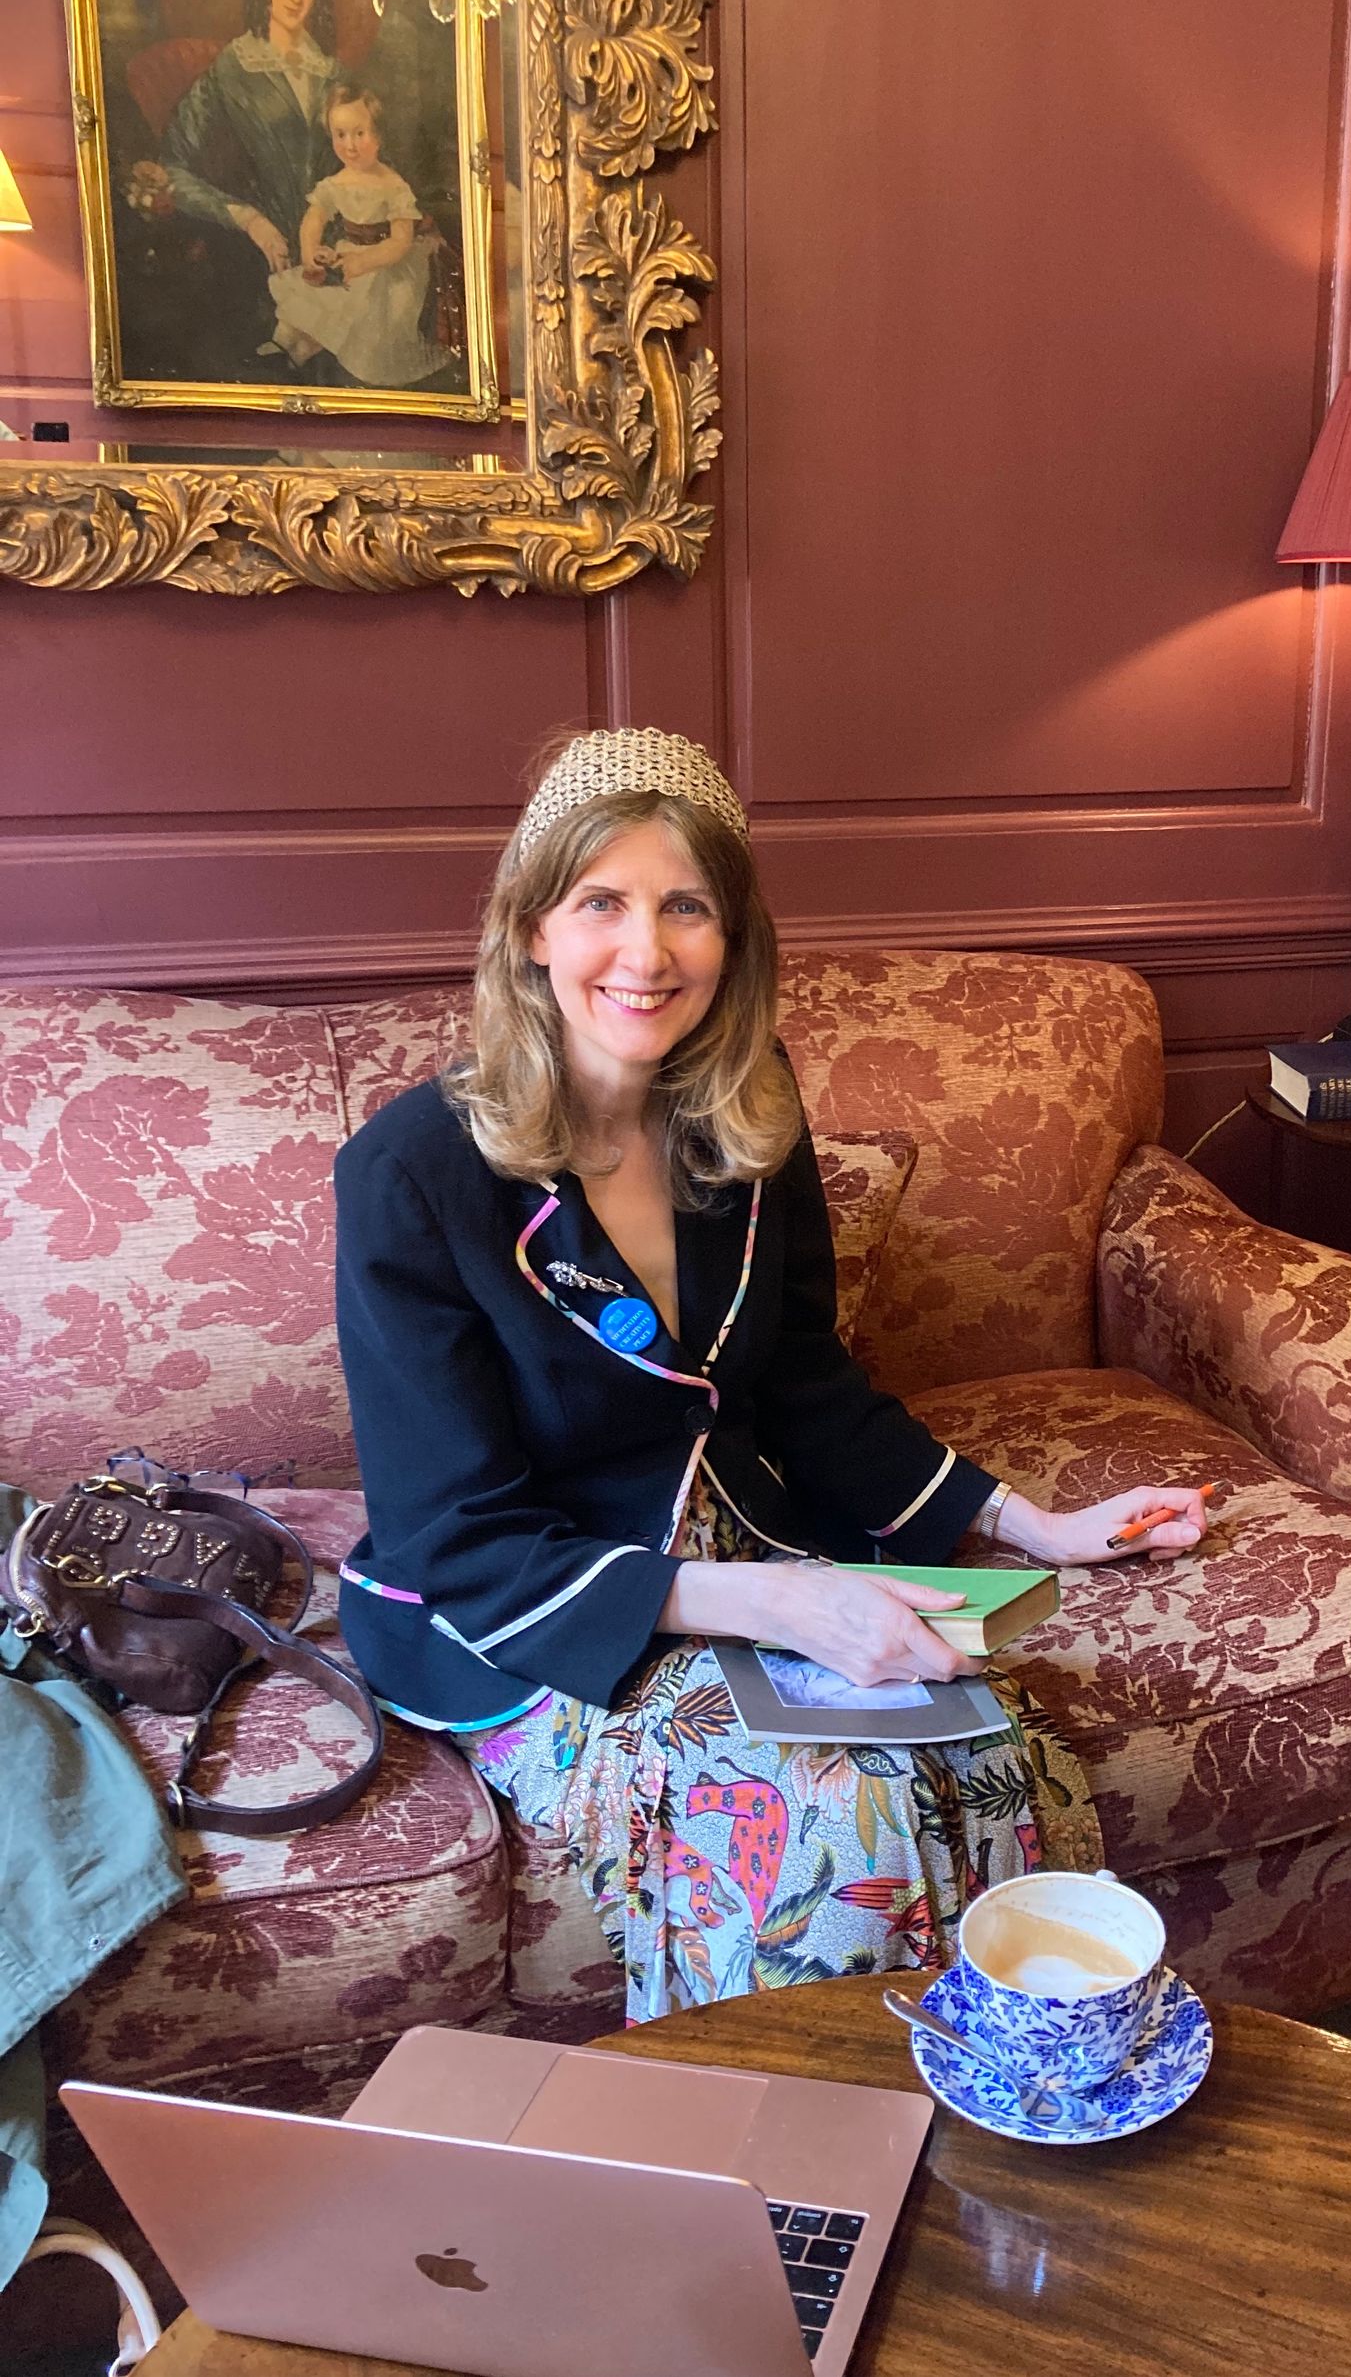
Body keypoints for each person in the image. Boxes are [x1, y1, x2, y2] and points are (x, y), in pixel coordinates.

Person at [333, 729, 1206, 2021]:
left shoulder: (747, 1107)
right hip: (538, 1608)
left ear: (734, 936)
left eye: (686, 905)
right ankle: (763, 2128)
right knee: (831, 1819)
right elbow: (452, 1530)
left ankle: (996, 2103)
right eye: (601, 902)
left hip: (747, 1536)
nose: (646, 951)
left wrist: (1033, 1524)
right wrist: (780, 1603)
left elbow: (803, 1377)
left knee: (989, 1758)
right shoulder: (412, 1171)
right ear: (530, 928)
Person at [155, 0, 341, 299]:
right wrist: (247, 218)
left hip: (335, 262)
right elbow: (172, 169)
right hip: (255, 266)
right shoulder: (231, 70)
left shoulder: (333, 73)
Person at [265, 86, 453, 387]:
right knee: (311, 294)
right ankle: (281, 350)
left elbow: (400, 242)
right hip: (350, 254)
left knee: (357, 304)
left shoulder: (393, 186)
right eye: (340, 135)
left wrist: (364, 262)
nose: (350, 146)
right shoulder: (335, 183)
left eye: (359, 134)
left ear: (378, 136)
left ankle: (299, 356)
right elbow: (313, 220)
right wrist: (311, 252)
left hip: (391, 264)